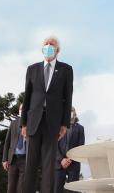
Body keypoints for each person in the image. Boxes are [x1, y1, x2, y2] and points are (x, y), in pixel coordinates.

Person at [22, 36, 74, 193]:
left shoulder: (66, 69)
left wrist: (65, 123)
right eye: (46, 44)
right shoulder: (32, 69)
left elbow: (68, 97)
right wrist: (23, 123)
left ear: (57, 50)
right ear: (42, 48)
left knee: (48, 166)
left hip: (53, 122)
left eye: (52, 44)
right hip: (33, 121)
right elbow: (27, 97)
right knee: (30, 164)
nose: (48, 46)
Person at [54, 106, 84, 192]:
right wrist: (61, 159)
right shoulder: (57, 127)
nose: (70, 113)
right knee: (56, 189)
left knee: (73, 190)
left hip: (73, 163)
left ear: (75, 113)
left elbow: (80, 146)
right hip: (59, 163)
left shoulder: (80, 128)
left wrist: (70, 159)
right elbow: (54, 145)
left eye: (72, 111)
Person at [2, 103, 27, 193]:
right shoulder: (13, 123)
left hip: (25, 159)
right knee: (11, 187)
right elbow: (7, 142)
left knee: (21, 188)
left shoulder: (31, 123)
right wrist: (4, 159)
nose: (22, 110)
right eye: (21, 109)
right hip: (13, 159)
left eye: (24, 109)